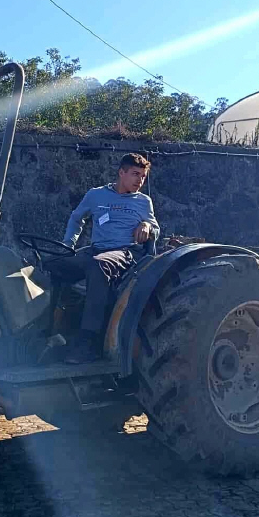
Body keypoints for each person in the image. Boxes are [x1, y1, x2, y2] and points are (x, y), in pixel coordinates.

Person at [51, 153, 159, 363]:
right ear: (121, 173)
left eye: (143, 176)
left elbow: (155, 228)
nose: (140, 180)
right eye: (135, 174)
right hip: (97, 249)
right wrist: (68, 245)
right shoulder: (96, 195)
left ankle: (89, 341)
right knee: (54, 264)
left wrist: (147, 226)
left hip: (125, 252)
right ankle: (50, 330)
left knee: (98, 265)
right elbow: (76, 218)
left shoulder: (143, 201)